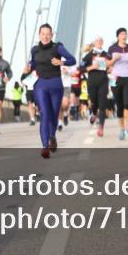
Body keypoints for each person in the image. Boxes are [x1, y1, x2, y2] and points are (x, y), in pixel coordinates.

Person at [21, 24, 76, 158]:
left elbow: (72, 60)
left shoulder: (58, 47)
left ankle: (52, 136)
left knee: (54, 114)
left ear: (51, 35)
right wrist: (29, 67)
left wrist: (61, 62)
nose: (45, 36)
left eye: (48, 34)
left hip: (56, 84)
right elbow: (34, 64)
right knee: (44, 113)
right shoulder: (34, 50)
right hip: (40, 85)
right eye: (43, 34)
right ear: (39, 35)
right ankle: (45, 146)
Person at [108, 27, 128, 140]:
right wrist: (114, 60)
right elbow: (107, 64)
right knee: (119, 105)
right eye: (121, 34)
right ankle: (121, 129)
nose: (124, 36)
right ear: (118, 36)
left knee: (127, 104)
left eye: (125, 34)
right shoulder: (112, 48)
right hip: (115, 79)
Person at [81, 36, 112, 137]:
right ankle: (94, 114)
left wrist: (110, 69)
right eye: (97, 40)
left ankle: (101, 127)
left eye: (101, 40)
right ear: (94, 43)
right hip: (92, 82)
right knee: (94, 102)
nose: (99, 42)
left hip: (103, 81)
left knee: (102, 105)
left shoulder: (107, 55)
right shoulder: (89, 55)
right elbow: (81, 68)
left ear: (103, 42)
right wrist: (92, 67)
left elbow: (111, 66)